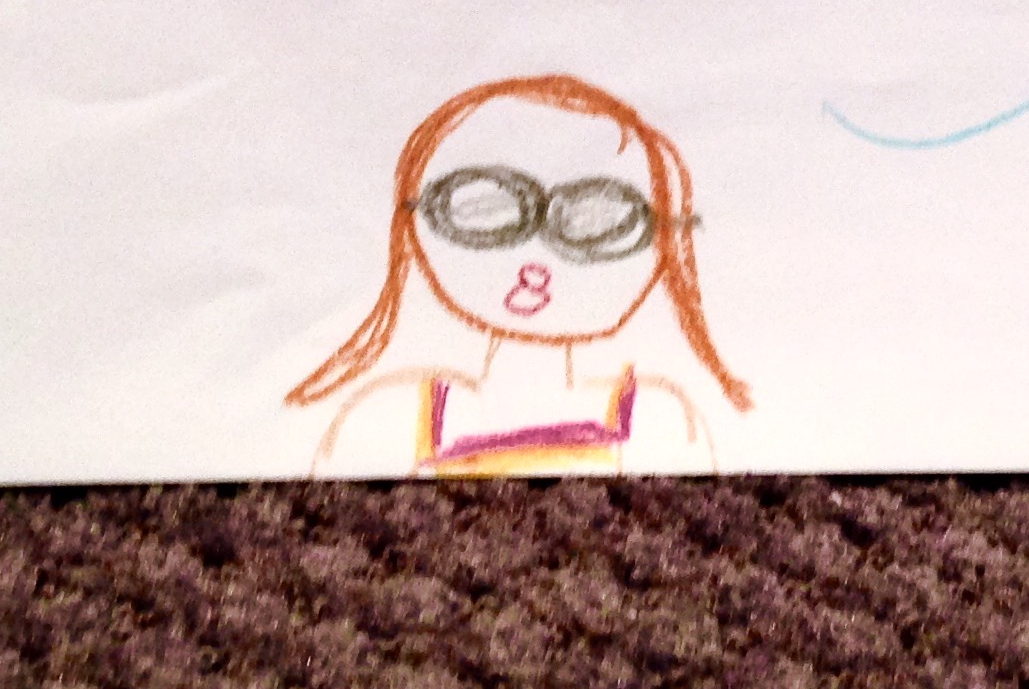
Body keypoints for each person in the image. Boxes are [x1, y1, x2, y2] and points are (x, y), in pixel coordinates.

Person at [290, 73, 750, 476]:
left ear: (665, 240)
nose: (535, 263)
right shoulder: (383, 414)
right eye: (484, 210)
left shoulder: (660, 417)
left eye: (602, 221)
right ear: (413, 219)